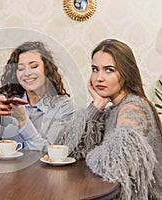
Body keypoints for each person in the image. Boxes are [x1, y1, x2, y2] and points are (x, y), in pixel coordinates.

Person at [57, 39, 162, 199]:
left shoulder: (133, 108)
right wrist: (96, 106)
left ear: (126, 73)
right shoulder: (111, 110)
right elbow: (67, 150)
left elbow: (114, 164)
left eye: (109, 70)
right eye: (95, 69)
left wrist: (91, 154)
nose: (99, 78)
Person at [0, 41, 75, 151]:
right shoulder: (8, 97)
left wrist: (24, 121)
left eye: (34, 66)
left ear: (46, 69)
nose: (27, 73)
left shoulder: (63, 106)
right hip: (6, 167)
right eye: (20, 69)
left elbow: (50, 152)